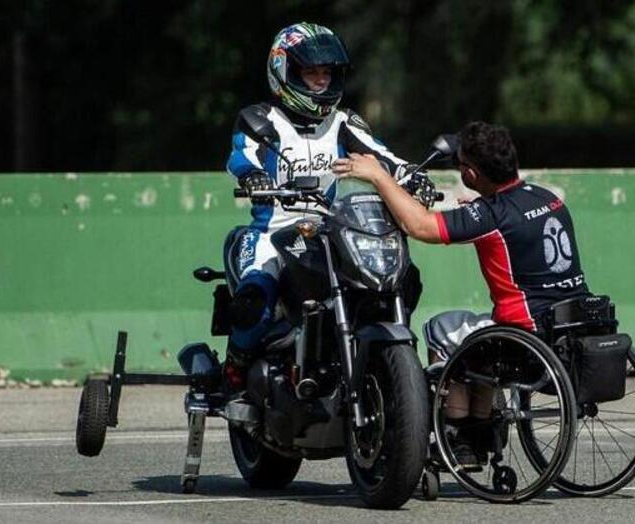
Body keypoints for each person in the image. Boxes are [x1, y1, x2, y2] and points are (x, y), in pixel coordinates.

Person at [333, 121, 590, 467]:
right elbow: (511, 223)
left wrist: (380, 177)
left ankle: (462, 433)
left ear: (469, 173)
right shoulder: (547, 198)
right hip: (566, 324)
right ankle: (478, 427)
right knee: (477, 336)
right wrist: (480, 208)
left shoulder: (490, 214)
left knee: (442, 329)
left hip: (523, 335)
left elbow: (419, 225)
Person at [223, 22, 415, 392]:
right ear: (284, 71)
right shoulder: (259, 120)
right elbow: (241, 158)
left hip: (329, 229)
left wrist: (413, 176)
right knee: (254, 301)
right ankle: (235, 369)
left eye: (326, 73)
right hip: (272, 231)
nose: (320, 81)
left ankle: (384, 367)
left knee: (402, 280)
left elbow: (384, 156)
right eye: (310, 72)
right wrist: (253, 178)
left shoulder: (342, 121)